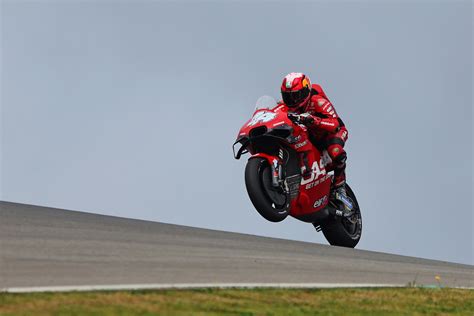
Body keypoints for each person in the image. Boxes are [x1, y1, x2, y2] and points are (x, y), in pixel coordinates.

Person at [280, 72, 351, 210]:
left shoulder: (317, 101)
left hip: (332, 133)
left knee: (335, 152)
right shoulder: (286, 106)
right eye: (288, 96)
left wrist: (314, 120)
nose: (292, 101)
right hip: (311, 136)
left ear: (306, 91)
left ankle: (339, 186)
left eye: (296, 96)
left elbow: (335, 124)